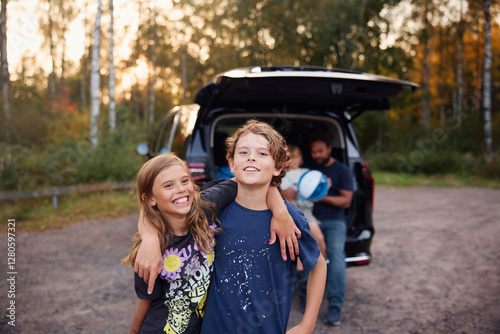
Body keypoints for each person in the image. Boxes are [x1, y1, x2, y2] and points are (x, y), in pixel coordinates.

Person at [199, 119, 326, 334]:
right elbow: (163, 206)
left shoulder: (289, 217)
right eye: (243, 152)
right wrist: (151, 239)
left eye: (262, 153)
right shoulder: (214, 209)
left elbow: (319, 265)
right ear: (231, 163)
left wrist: (307, 325)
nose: (251, 157)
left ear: (277, 167)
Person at [121, 153, 238, 334]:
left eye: (185, 181)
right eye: (168, 185)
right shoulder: (150, 251)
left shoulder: (206, 208)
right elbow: (145, 301)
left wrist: (279, 208)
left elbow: (245, 180)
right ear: (151, 198)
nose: (181, 189)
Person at [307, 133, 354, 326]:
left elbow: (346, 201)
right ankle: (306, 301)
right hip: (310, 219)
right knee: (307, 257)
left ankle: (334, 307)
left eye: (320, 151)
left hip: (335, 220)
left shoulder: (342, 171)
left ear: (329, 149)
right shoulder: (310, 170)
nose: (316, 155)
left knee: (335, 256)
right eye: (313, 152)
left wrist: (322, 196)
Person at [280, 144, 327, 313]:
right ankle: (303, 290)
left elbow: (320, 185)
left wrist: (325, 183)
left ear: (301, 158)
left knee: (320, 239)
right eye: (290, 158)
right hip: (293, 212)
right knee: (299, 253)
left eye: (297, 157)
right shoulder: (283, 175)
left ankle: (320, 270)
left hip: (308, 212)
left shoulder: (308, 173)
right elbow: (286, 195)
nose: (294, 161)